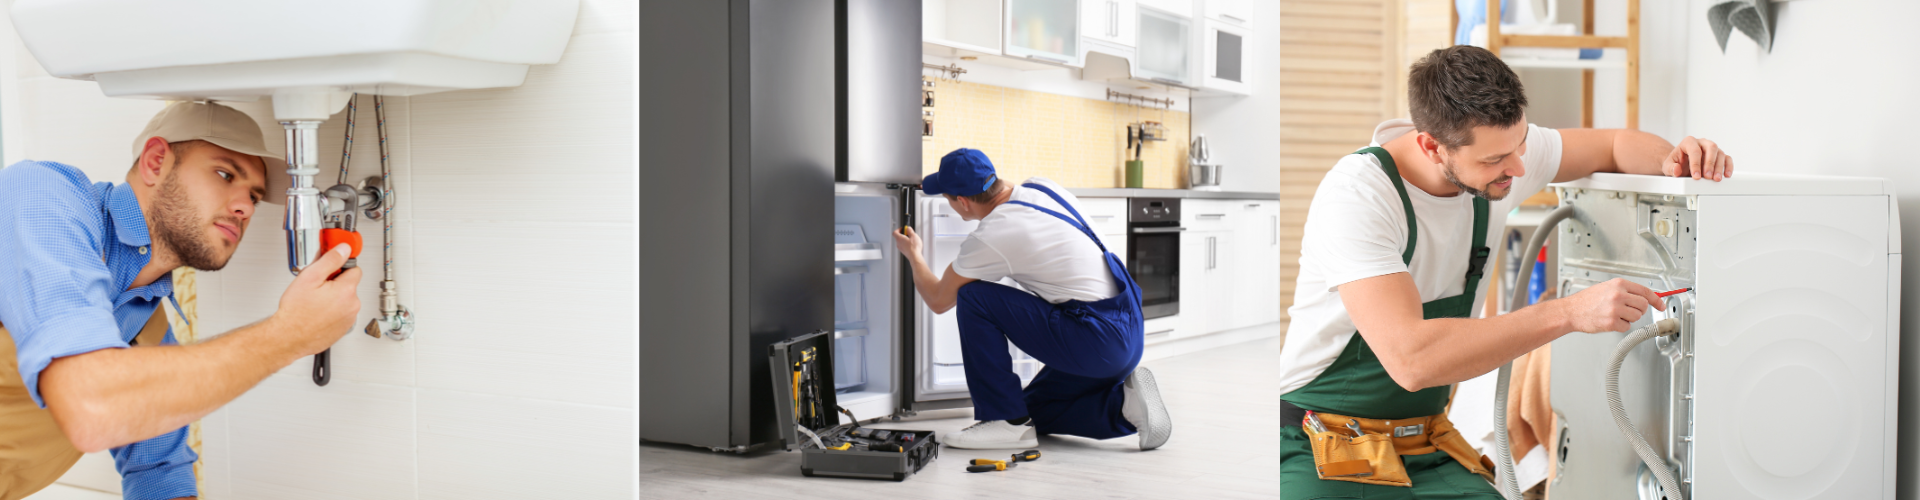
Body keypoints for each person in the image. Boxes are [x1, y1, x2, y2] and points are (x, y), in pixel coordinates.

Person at [1277, 46, 1733, 499]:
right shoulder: (1360, 196)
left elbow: (1615, 144)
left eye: (1519, 147)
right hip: (1320, 443)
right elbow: (1412, 361)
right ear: (1431, 147)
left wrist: (1676, 160)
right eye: (1495, 160)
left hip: (1425, 443)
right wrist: (1569, 313)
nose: (1517, 168)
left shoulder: (1503, 154)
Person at [0, 102, 363, 500]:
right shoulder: (42, 195)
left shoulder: (146, 320)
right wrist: (291, 333)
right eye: (225, 174)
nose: (244, 207)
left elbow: (159, 473)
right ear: (156, 162)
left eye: (254, 198)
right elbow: (91, 407)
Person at [893, 148, 1172, 451]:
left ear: (962, 201)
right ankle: (1124, 407)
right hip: (1127, 329)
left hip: (1096, 340)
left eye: (948, 199)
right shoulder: (1042, 187)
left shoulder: (993, 233)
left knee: (973, 297)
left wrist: (914, 255)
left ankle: (1004, 421)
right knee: (1031, 412)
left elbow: (938, 300)